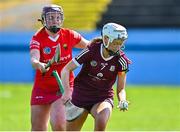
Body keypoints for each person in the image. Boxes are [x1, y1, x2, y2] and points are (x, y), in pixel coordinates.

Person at [61, 23, 131, 131]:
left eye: (120, 43)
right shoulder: (91, 50)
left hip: (102, 97)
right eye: (115, 43)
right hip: (80, 95)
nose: (118, 47)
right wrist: (66, 92)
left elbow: (121, 88)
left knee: (102, 119)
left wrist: (122, 100)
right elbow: (66, 69)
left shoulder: (122, 61)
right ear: (106, 39)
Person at [29, 4, 89, 131]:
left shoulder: (70, 35)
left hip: (64, 87)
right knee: (38, 128)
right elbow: (34, 59)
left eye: (57, 17)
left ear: (62, 19)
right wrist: (39, 64)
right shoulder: (37, 38)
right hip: (42, 88)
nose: (54, 20)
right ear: (43, 20)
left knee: (59, 124)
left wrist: (104, 42)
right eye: (50, 17)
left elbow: (89, 46)